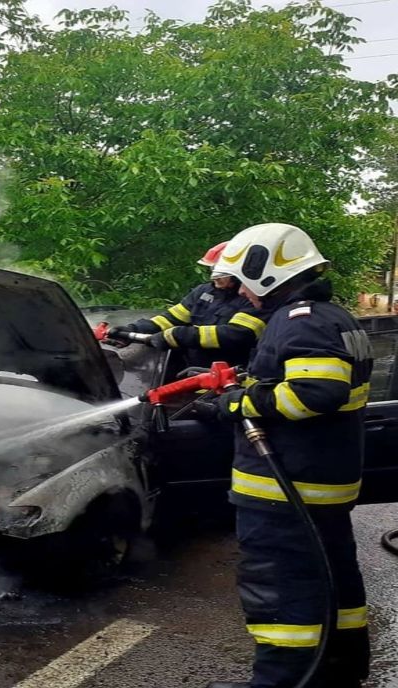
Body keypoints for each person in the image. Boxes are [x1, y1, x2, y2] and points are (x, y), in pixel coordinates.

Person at [203, 223, 372, 688]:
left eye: (242, 281)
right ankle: (339, 669)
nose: (240, 293)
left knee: (279, 593)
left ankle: (282, 681)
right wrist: (251, 382)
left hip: (286, 490)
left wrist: (238, 403)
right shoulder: (328, 316)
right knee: (332, 578)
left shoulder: (302, 319)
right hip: (316, 484)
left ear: (267, 271)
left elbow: (315, 393)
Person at [108, 241, 269, 368]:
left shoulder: (254, 297)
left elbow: (236, 335)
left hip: (233, 378)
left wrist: (180, 335)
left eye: (221, 272)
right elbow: (170, 319)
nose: (215, 277)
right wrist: (133, 330)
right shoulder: (204, 292)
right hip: (193, 372)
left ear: (240, 272)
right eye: (213, 269)